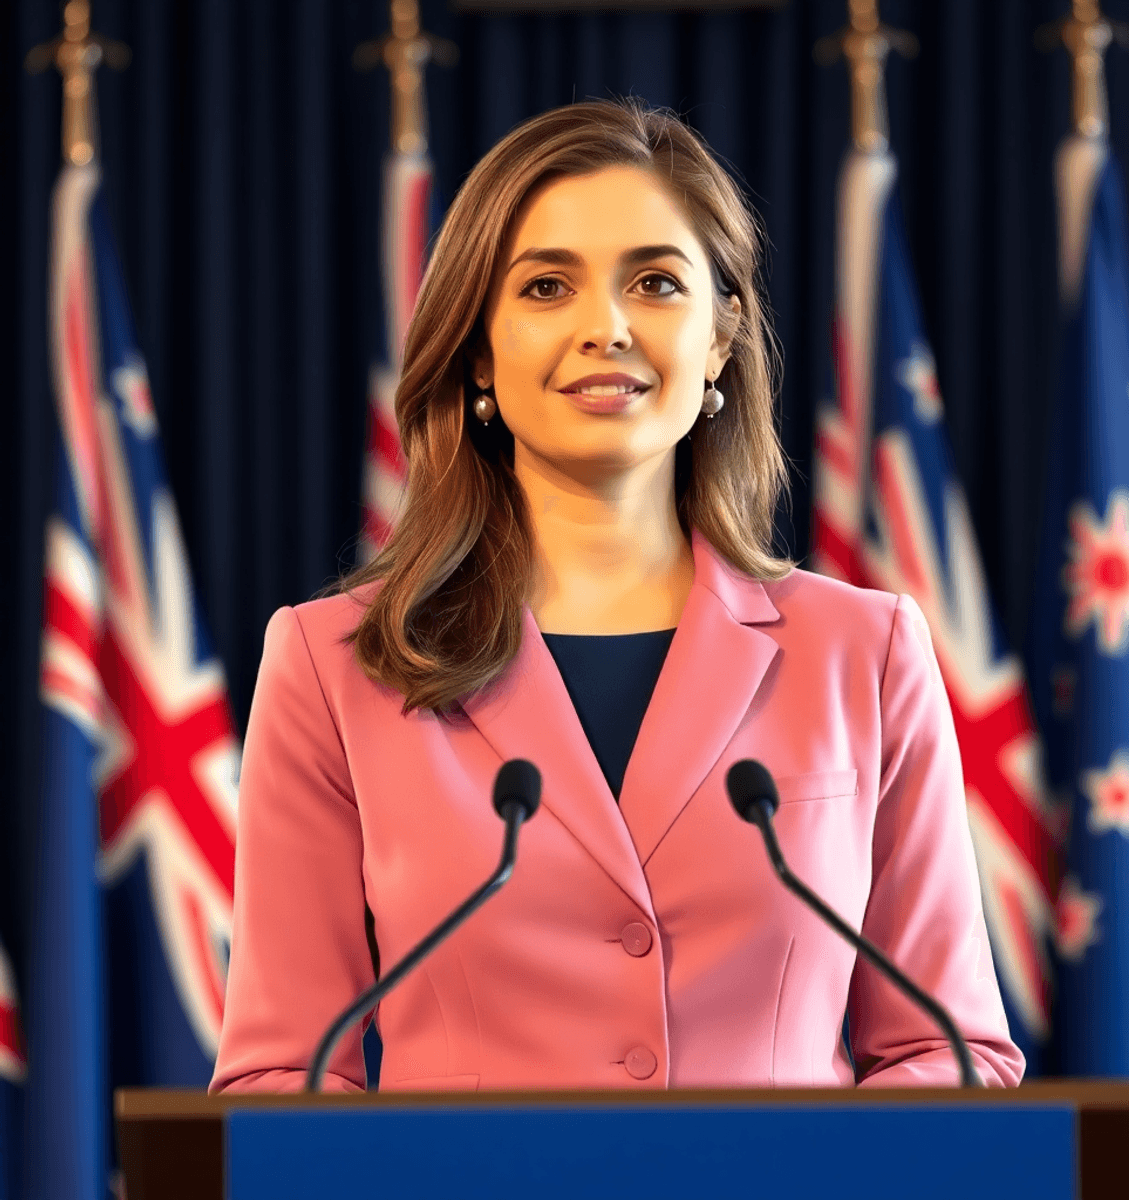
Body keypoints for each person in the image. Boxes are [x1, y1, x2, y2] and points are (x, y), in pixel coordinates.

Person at [210, 98, 1025, 1094]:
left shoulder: (868, 650)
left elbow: (946, 1050)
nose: (606, 327)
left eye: (655, 282)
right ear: (477, 349)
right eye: (547, 286)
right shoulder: (331, 666)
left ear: (721, 338)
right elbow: (283, 1076)